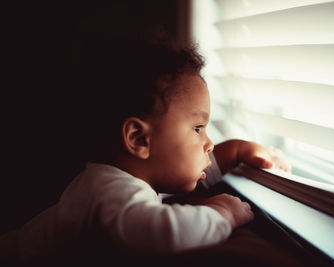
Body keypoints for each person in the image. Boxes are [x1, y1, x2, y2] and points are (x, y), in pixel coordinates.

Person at [4, 36, 291, 266]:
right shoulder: (110, 191)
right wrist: (222, 213)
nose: (209, 142)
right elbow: (163, 234)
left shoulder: (130, 178)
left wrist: (240, 150)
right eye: (197, 128)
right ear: (139, 139)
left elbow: (202, 167)